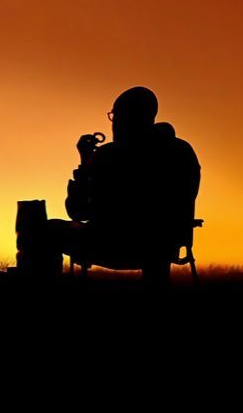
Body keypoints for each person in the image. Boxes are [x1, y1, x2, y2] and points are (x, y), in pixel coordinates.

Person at [46, 86, 201, 281]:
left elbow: (78, 211)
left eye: (116, 115)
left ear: (126, 118)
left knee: (47, 230)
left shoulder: (109, 155)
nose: (114, 123)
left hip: (112, 244)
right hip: (164, 247)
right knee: (157, 239)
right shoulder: (182, 151)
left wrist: (85, 164)